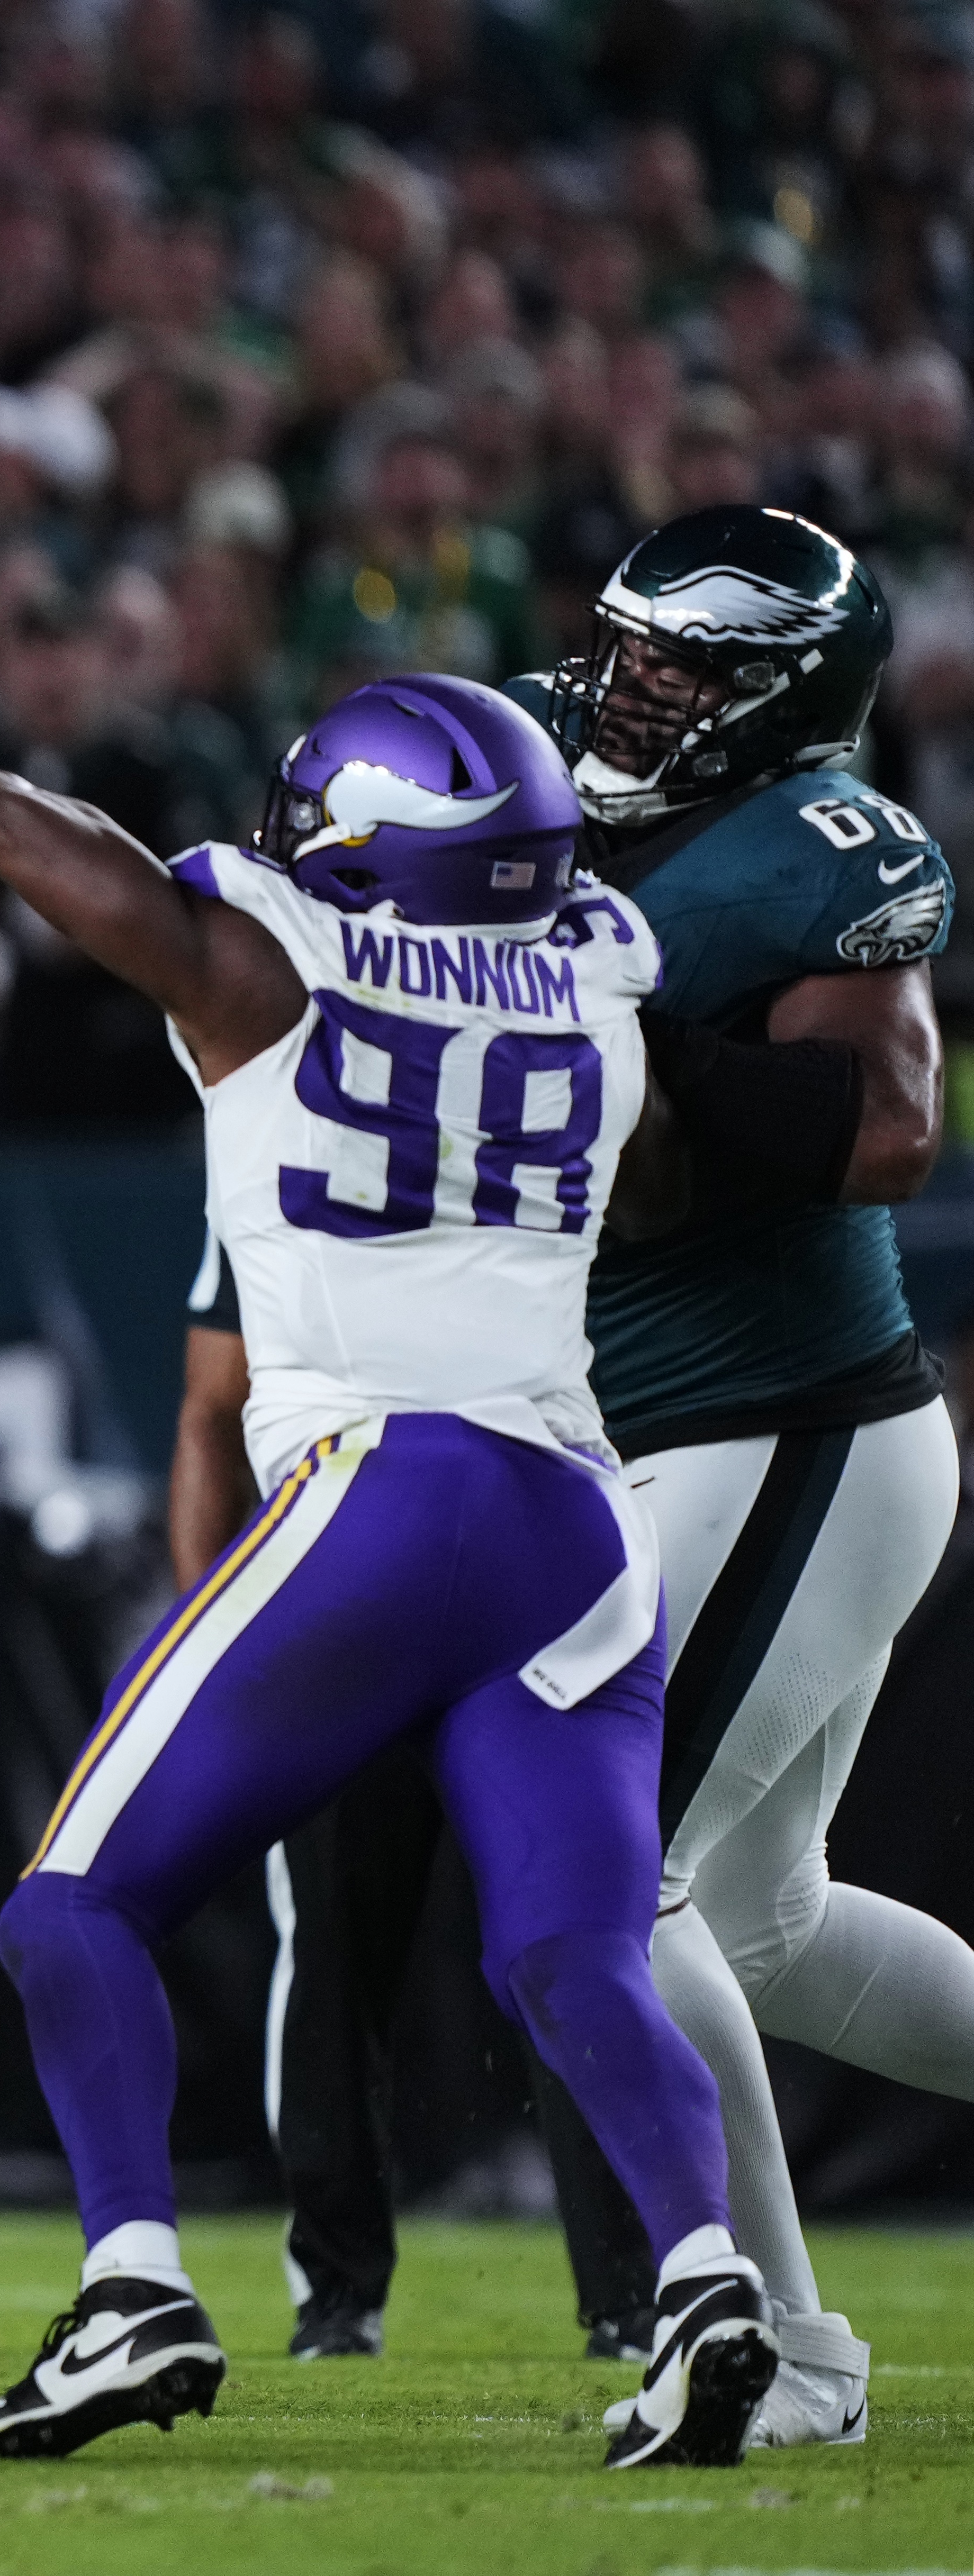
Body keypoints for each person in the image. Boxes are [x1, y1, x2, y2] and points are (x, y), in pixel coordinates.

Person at [0, 676, 773, 2470]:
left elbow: (39, 842)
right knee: (580, 1957)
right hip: (577, 1515)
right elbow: (653, 1184)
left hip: (386, 1481)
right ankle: (705, 2285)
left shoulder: (267, 964)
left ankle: (129, 2285)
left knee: (70, 1906)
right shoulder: (598, 975)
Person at [522, 504, 974, 2450]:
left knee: (620, 1888)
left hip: (791, 1420)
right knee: (767, 1922)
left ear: (789, 696)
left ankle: (791, 2346)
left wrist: (642, 1048)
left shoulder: (814, 851)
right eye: (632, 644)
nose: (638, 684)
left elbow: (887, 1130)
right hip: (672, 1425)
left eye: (691, 664)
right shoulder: (528, 752)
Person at [171, 1233, 656, 2362]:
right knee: (338, 1944)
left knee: (577, 1934)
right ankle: (336, 2293)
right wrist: (216, 1648)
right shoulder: (276, 1133)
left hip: (521, 1578)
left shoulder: (517, 1106)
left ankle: (639, 2285)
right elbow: (211, 1403)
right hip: (351, 1591)